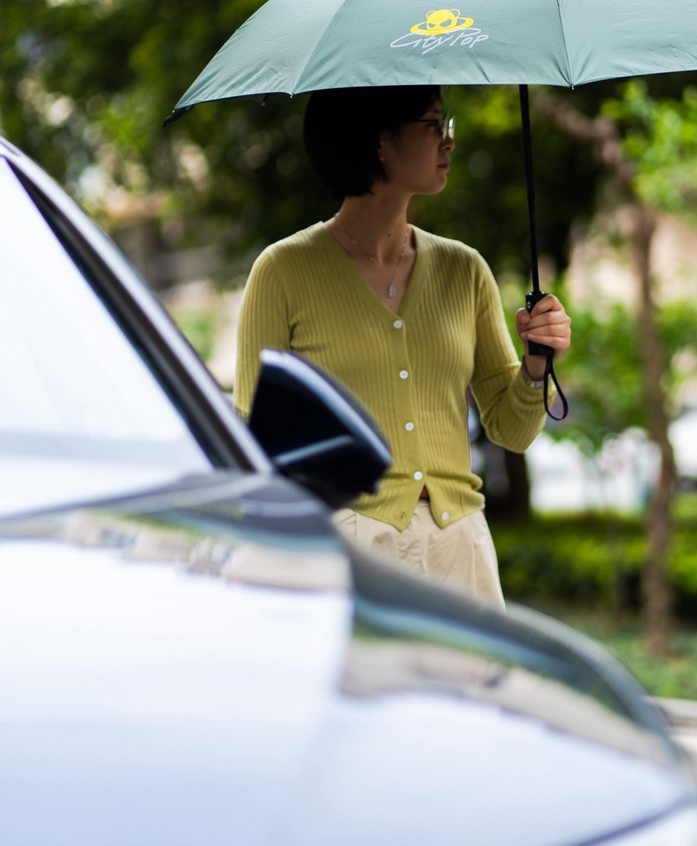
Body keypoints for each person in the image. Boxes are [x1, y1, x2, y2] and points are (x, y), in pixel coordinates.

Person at [234, 85, 571, 606]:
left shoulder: (465, 270)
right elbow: (254, 440)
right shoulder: (283, 271)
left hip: (461, 550)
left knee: (470, 691)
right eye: (434, 124)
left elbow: (511, 430)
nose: (449, 140)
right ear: (380, 142)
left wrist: (535, 367)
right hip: (345, 548)